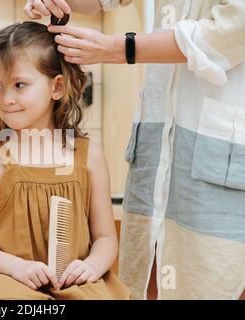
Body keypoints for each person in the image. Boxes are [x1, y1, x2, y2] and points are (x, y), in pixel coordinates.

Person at [24, 0, 245, 299]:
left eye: (19, 85)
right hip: (157, 141)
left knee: (210, 276)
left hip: (218, 152)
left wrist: (118, 48)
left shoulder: (87, 156)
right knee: (146, 272)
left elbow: (229, 31)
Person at [0, 21, 130, 300]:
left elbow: (106, 238)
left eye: (19, 85)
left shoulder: (89, 155)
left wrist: (91, 266)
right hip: (8, 282)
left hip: (77, 283)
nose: (6, 98)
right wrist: (16, 267)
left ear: (57, 88)